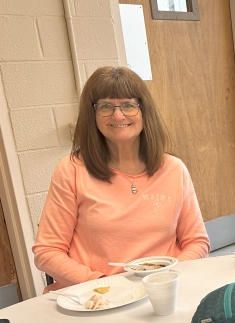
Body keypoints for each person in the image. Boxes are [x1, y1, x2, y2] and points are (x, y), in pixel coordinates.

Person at [33, 66, 209, 290]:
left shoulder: (174, 169)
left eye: (128, 105)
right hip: (98, 292)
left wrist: (165, 280)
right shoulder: (71, 170)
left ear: (144, 111)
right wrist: (104, 286)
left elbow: (197, 242)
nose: (118, 115)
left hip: (163, 287)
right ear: (92, 114)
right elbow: (47, 252)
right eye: (106, 106)